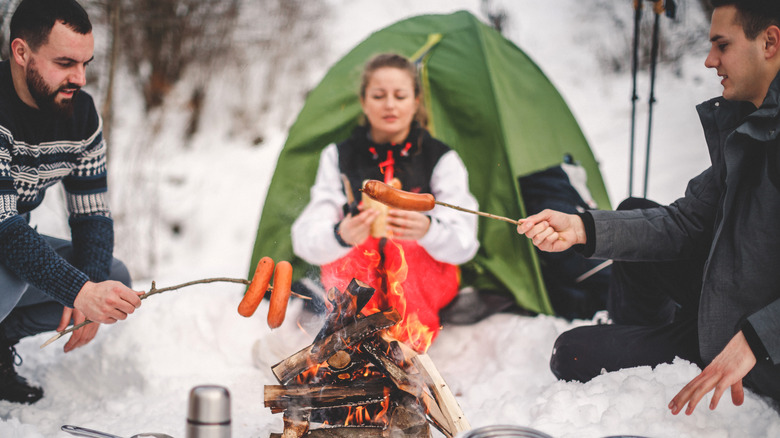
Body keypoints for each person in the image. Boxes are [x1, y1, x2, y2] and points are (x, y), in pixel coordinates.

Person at [518, 0, 780, 415]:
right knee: (632, 209)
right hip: (728, 297)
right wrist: (583, 227)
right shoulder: (754, 124)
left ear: (769, 42)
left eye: (722, 45)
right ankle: (642, 337)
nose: (710, 60)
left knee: (570, 354)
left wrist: (758, 337)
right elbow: (687, 221)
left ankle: (658, 353)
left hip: (756, 349)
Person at [0, 0, 142, 404]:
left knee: (113, 276)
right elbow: (4, 229)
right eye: (65, 63)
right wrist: (79, 292)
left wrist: (92, 286)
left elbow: (93, 214)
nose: (79, 78)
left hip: (7, 243)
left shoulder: (80, 115)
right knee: (11, 275)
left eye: (86, 63)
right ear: (21, 51)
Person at [292, 53, 479, 351]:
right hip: (355, 277)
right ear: (364, 102)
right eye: (379, 95)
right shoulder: (339, 155)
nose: (390, 104)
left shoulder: (441, 158)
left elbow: (465, 243)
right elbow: (305, 237)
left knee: (403, 247)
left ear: (416, 101)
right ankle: (352, 341)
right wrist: (340, 234)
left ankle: (407, 345)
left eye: (400, 95)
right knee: (358, 251)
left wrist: (428, 230)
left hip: (424, 281)